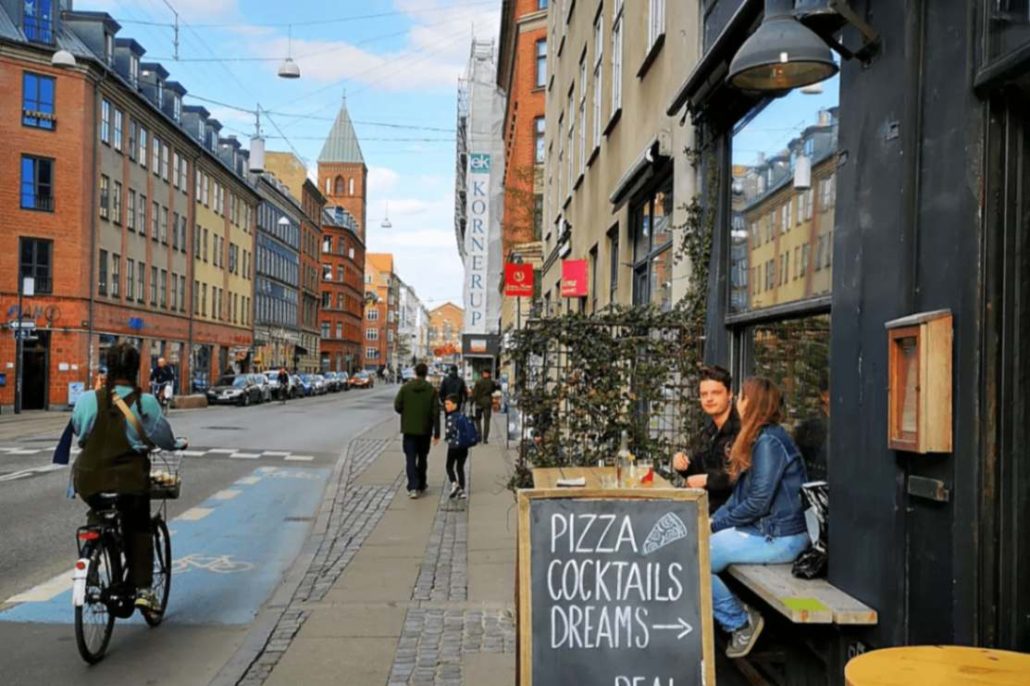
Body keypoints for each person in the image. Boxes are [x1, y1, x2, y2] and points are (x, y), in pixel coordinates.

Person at [72, 342, 186, 611]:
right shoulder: (146, 403)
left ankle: (93, 560)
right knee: (138, 526)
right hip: (129, 481)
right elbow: (163, 437)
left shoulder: (88, 399)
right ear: (137, 370)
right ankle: (144, 589)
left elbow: (80, 432)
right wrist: (177, 445)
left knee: (99, 510)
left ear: (108, 368)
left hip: (89, 480)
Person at [709, 377, 809, 659]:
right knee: (692, 552)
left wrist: (715, 525)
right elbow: (740, 497)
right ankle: (735, 617)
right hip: (764, 532)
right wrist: (713, 520)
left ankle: (740, 622)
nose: (737, 402)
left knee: (694, 560)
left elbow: (757, 502)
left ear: (751, 403)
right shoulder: (760, 438)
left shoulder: (770, 442)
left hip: (780, 537)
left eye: (740, 397)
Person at [673, 365, 740, 514]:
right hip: (706, 510)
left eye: (716, 393)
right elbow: (696, 472)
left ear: (730, 394)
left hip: (732, 515)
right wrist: (681, 464)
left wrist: (707, 480)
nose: (709, 399)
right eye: (704, 394)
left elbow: (742, 476)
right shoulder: (707, 433)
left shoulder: (741, 431)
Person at [394, 362, 441, 499]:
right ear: (426, 374)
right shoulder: (431, 390)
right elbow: (436, 413)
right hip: (425, 430)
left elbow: (397, 406)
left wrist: (406, 412)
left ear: (415, 373)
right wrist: (437, 432)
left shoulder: (405, 388)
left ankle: (413, 487)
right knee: (422, 458)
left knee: (410, 458)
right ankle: (421, 484)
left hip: (409, 430)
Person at [443, 394, 474, 499]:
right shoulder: (463, 416)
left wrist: (446, 438)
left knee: (449, 467)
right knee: (460, 468)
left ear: (455, 405)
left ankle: (454, 483)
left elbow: (449, 432)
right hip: (464, 446)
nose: (446, 406)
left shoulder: (451, 417)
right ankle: (462, 490)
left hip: (453, 447)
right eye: (445, 404)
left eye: (448, 404)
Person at [471, 369, 500, 444]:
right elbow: (494, 391)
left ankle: (479, 436)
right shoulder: (491, 382)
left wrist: (472, 401)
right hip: (487, 403)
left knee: (478, 420)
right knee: (487, 421)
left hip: (479, 403)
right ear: (489, 374)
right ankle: (485, 438)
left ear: (483, 373)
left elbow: (475, 393)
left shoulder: (478, 382)